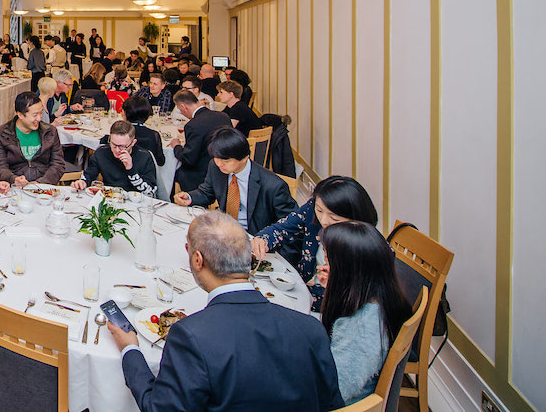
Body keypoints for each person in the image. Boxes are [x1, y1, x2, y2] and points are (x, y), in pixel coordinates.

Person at [107, 212, 344, 412]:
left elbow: (159, 408)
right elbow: (333, 405)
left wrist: (130, 349)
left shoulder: (191, 337)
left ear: (197, 260)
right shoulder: (311, 328)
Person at [252, 176, 379, 310]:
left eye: (334, 218)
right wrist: (263, 239)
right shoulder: (313, 209)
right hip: (301, 288)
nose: (323, 220)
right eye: (319, 210)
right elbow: (282, 228)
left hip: (332, 308)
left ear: (354, 219)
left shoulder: (367, 246)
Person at [320, 222, 413, 405]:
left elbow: (335, 390)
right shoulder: (380, 299)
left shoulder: (361, 329)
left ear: (348, 272)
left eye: (328, 262)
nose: (325, 268)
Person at [176, 127, 296, 234]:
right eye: (216, 158)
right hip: (224, 231)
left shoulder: (273, 185)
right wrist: (189, 197)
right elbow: (207, 193)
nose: (219, 163)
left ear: (244, 158)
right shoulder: (215, 167)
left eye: (226, 161)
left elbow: (290, 224)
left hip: (254, 237)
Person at [0, 91, 66, 187]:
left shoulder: (50, 131)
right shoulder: (3, 133)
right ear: (20, 115)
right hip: (15, 187)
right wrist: (13, 179)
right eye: (35, 115)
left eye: (41, 113)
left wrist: (41, 183)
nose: (39, 119)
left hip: (44, 187)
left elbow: (58, 164)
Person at [169, 89, 233, 193]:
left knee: (171, 171)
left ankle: (176, 199)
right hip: (226, 169)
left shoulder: (193, 125)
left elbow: (189, 158)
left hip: (201, 175)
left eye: (180, 110)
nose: (182, 113)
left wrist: (176, 146)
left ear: (184, 107)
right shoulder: (223, 116)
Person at [74, 119, 158, 196]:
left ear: (133, 143)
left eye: (122, 146)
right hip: (109, 198)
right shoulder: (102, 153)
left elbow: (150, 192)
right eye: (114, 144)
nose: (117, 150)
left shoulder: (144, 157)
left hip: (136, 201)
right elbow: (88, 175)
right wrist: (82, 182)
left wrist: (131, 170)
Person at [121, 95, 166, 166]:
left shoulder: (119, 132)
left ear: (124, 113)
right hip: (146, 170)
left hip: (122, 169)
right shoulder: (153, 135)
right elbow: (160, 162)